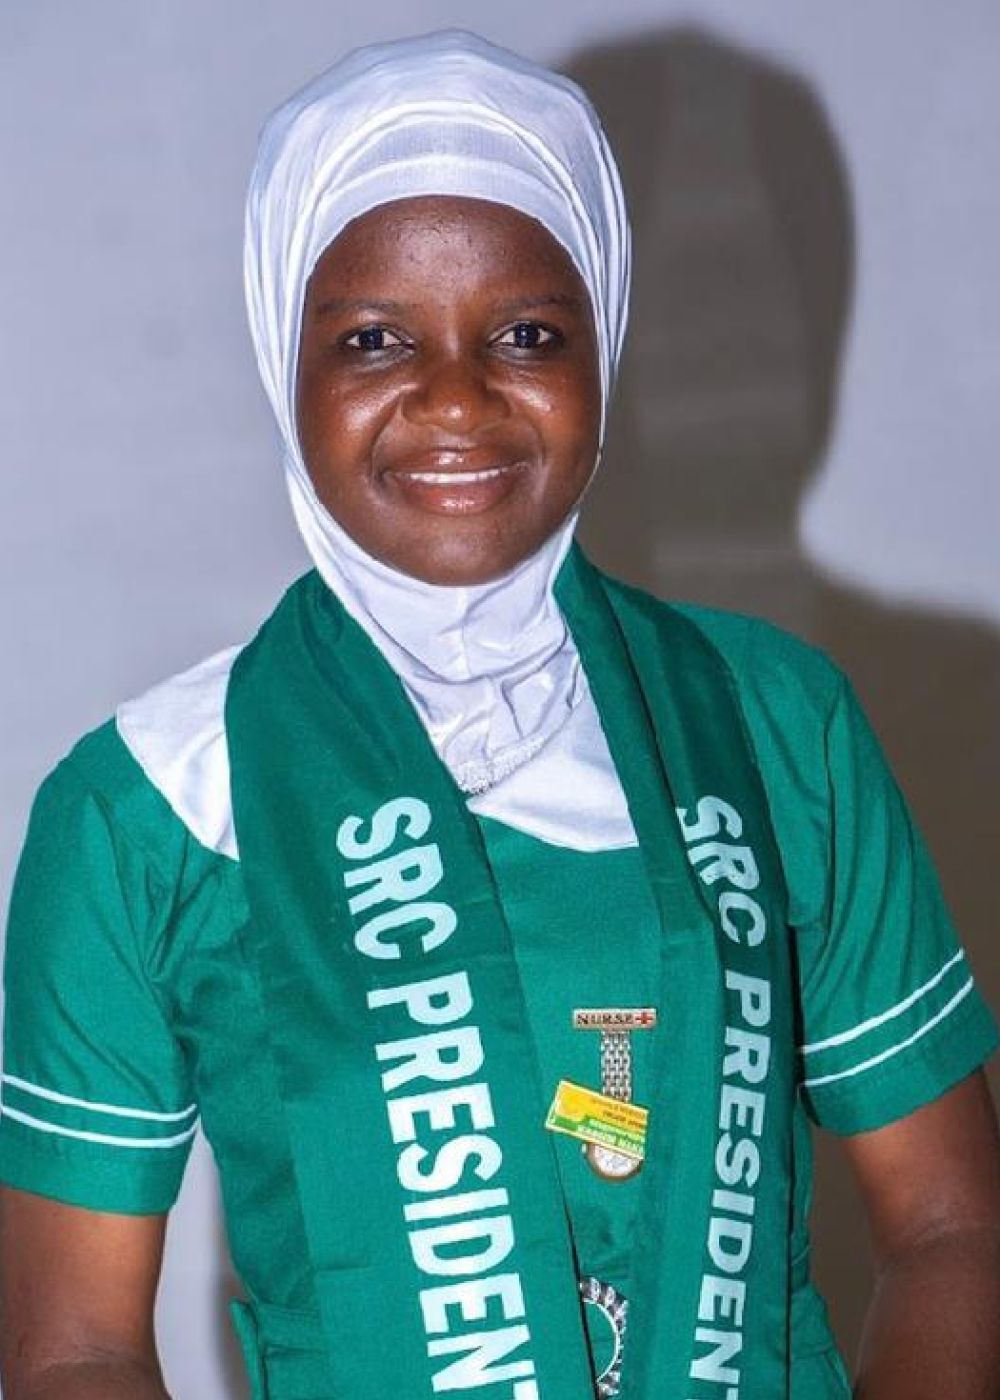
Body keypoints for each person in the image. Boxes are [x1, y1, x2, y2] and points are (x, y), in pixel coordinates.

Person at [1, 29, 998, 1400]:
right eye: (372, 339)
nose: (457, 397)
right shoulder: (145, 810)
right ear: (282, 358)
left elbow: (952, 1227)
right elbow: (73, 1350)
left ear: (609, 346)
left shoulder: (776, 725)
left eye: (527, 333)